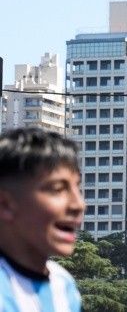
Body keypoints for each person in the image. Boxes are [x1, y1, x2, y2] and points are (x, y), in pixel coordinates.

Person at [0, 127, 85, 311]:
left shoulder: (63, 285)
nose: (79, 205)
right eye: (57, 189)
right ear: (5, 204)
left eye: (77, 188)